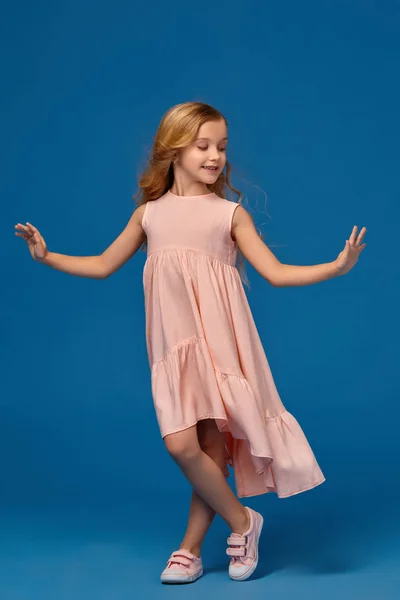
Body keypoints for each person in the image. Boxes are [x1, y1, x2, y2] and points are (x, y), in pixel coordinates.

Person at [14, 101, 367, 584]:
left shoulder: (229, 214)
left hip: (222, 346)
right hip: (174, 349)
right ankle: (244, 522)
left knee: (211, 448)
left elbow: (277, 274)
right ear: (173, 150)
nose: (215, 156)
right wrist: (47, 255)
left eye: (221, 146)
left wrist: (336, 267)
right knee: (183, 446)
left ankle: (190, 550)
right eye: (203, 145)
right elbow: (100, 264)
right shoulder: (149, 215)